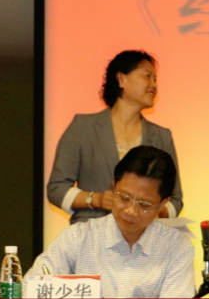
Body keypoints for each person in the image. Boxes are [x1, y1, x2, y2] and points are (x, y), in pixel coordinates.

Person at [26, 146, 193, 298]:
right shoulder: (78, 238)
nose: (130, 211)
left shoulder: (176, 248)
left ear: (163, 204)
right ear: (113, 186)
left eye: (144, 204)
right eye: (124, 198)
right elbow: (31, 289)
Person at [47, 50, 183, 225]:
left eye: (155, 80)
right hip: (92, 233)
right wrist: (96, 199)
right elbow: (56, 188)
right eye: (147, 76)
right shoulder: (82, 127)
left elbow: (175, 199)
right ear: (121, 79)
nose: (154, 85)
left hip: (143, 235)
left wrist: (153, 210)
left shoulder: (162, 136)